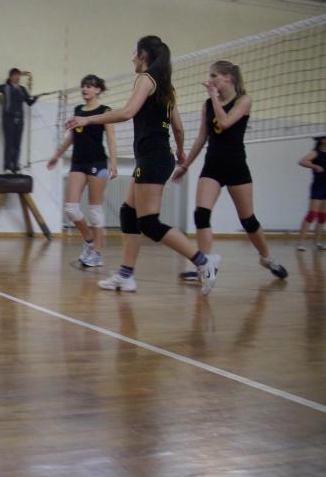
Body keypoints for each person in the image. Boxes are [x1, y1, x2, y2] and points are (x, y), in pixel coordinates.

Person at [66, 35, 219, 295]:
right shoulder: (166, 88)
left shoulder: (146, 79)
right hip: (157, 157)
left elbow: (127, 112)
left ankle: (204, 261)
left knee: (148, 222)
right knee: (128, 213)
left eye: (134, 53)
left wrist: (88, 120)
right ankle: (125, 275)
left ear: (144, 55)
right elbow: (178, 128)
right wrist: (180, 152)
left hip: (153, 158)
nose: (132, 59)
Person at [172, 61, 288, 280]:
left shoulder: (243, 100)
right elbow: (201, 137)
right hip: (213, 165)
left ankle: (267, 258)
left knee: (248, 220)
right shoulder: (207, 105)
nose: (210, 80)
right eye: (210, 76)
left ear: (228, 77)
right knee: (201, 214)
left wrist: (214, 97)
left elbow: (225, 122)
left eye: (214, 75)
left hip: (235, 165)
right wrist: (185, 166)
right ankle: (204, 266)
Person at [47, 74, 117, 267]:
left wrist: (113, 162)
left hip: (97, 162)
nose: (85, 89)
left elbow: (111, 138)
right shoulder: (78, 110)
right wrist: (57, 155)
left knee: (95, 209)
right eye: (83, 86)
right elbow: (72, 136)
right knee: (71, 208)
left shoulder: (105, 111)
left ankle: (97, 253)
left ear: (98, 90)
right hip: (78, 162)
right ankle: (89, 240)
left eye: (90, 86)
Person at [296, 135, 326, 250]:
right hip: (318, 186)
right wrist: (315, 166)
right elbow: (302, 161)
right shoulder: (316, 152)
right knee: (312, 214)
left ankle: (317, 242)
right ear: (321, 140)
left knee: (323, 216)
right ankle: (300, 242)